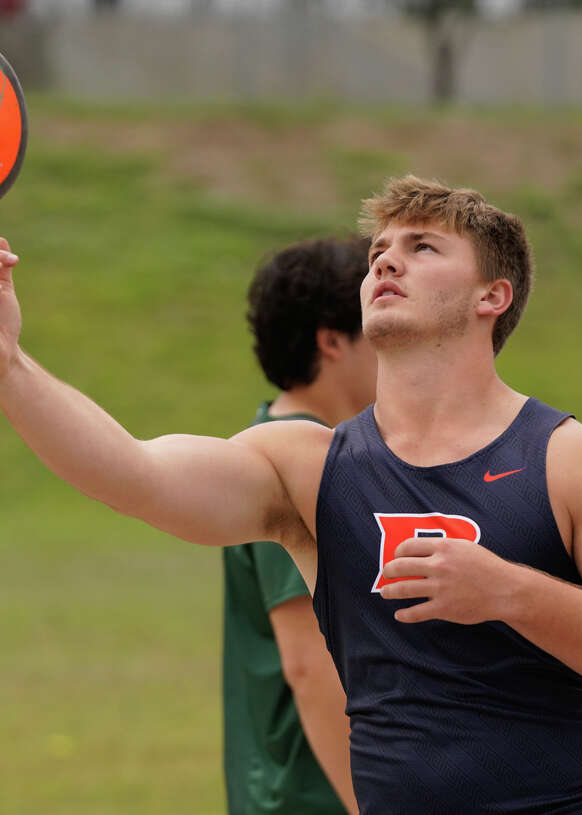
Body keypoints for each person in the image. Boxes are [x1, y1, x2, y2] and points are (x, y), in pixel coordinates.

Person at [0, 175, 582, 814]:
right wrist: (7, 368)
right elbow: (136, 475)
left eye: (423, 248)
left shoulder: (573, 460)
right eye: (379, 251)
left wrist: (509, 591)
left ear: (493, 295)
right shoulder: (309, 466)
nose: (386, 263)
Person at [225, 236, 373, 815]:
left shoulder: (291, 443)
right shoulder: (295, 463)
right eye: (380, 329)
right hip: (317, 794)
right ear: (333, 341)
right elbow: (310, 665)